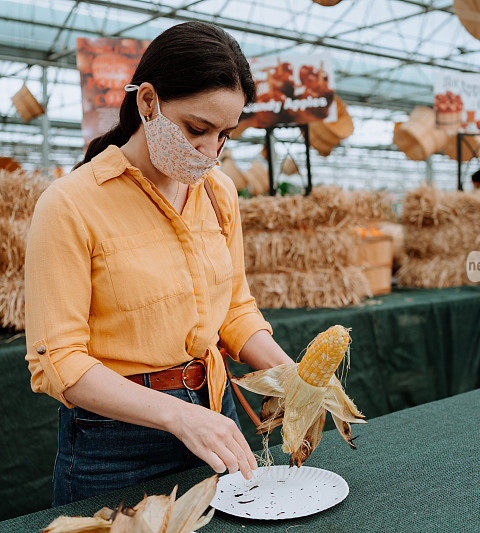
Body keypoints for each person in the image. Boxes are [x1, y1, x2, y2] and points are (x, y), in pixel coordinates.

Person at [24, 21, 294, 506]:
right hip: (116, 444)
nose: (210, 151)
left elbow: (234, 309)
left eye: (224, 135)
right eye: (196, 128)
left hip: (216, 419)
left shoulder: (219, 193)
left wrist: (288, 375)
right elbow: (58, 360)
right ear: (148, 101)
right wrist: (176, 415)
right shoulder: (69, 204)